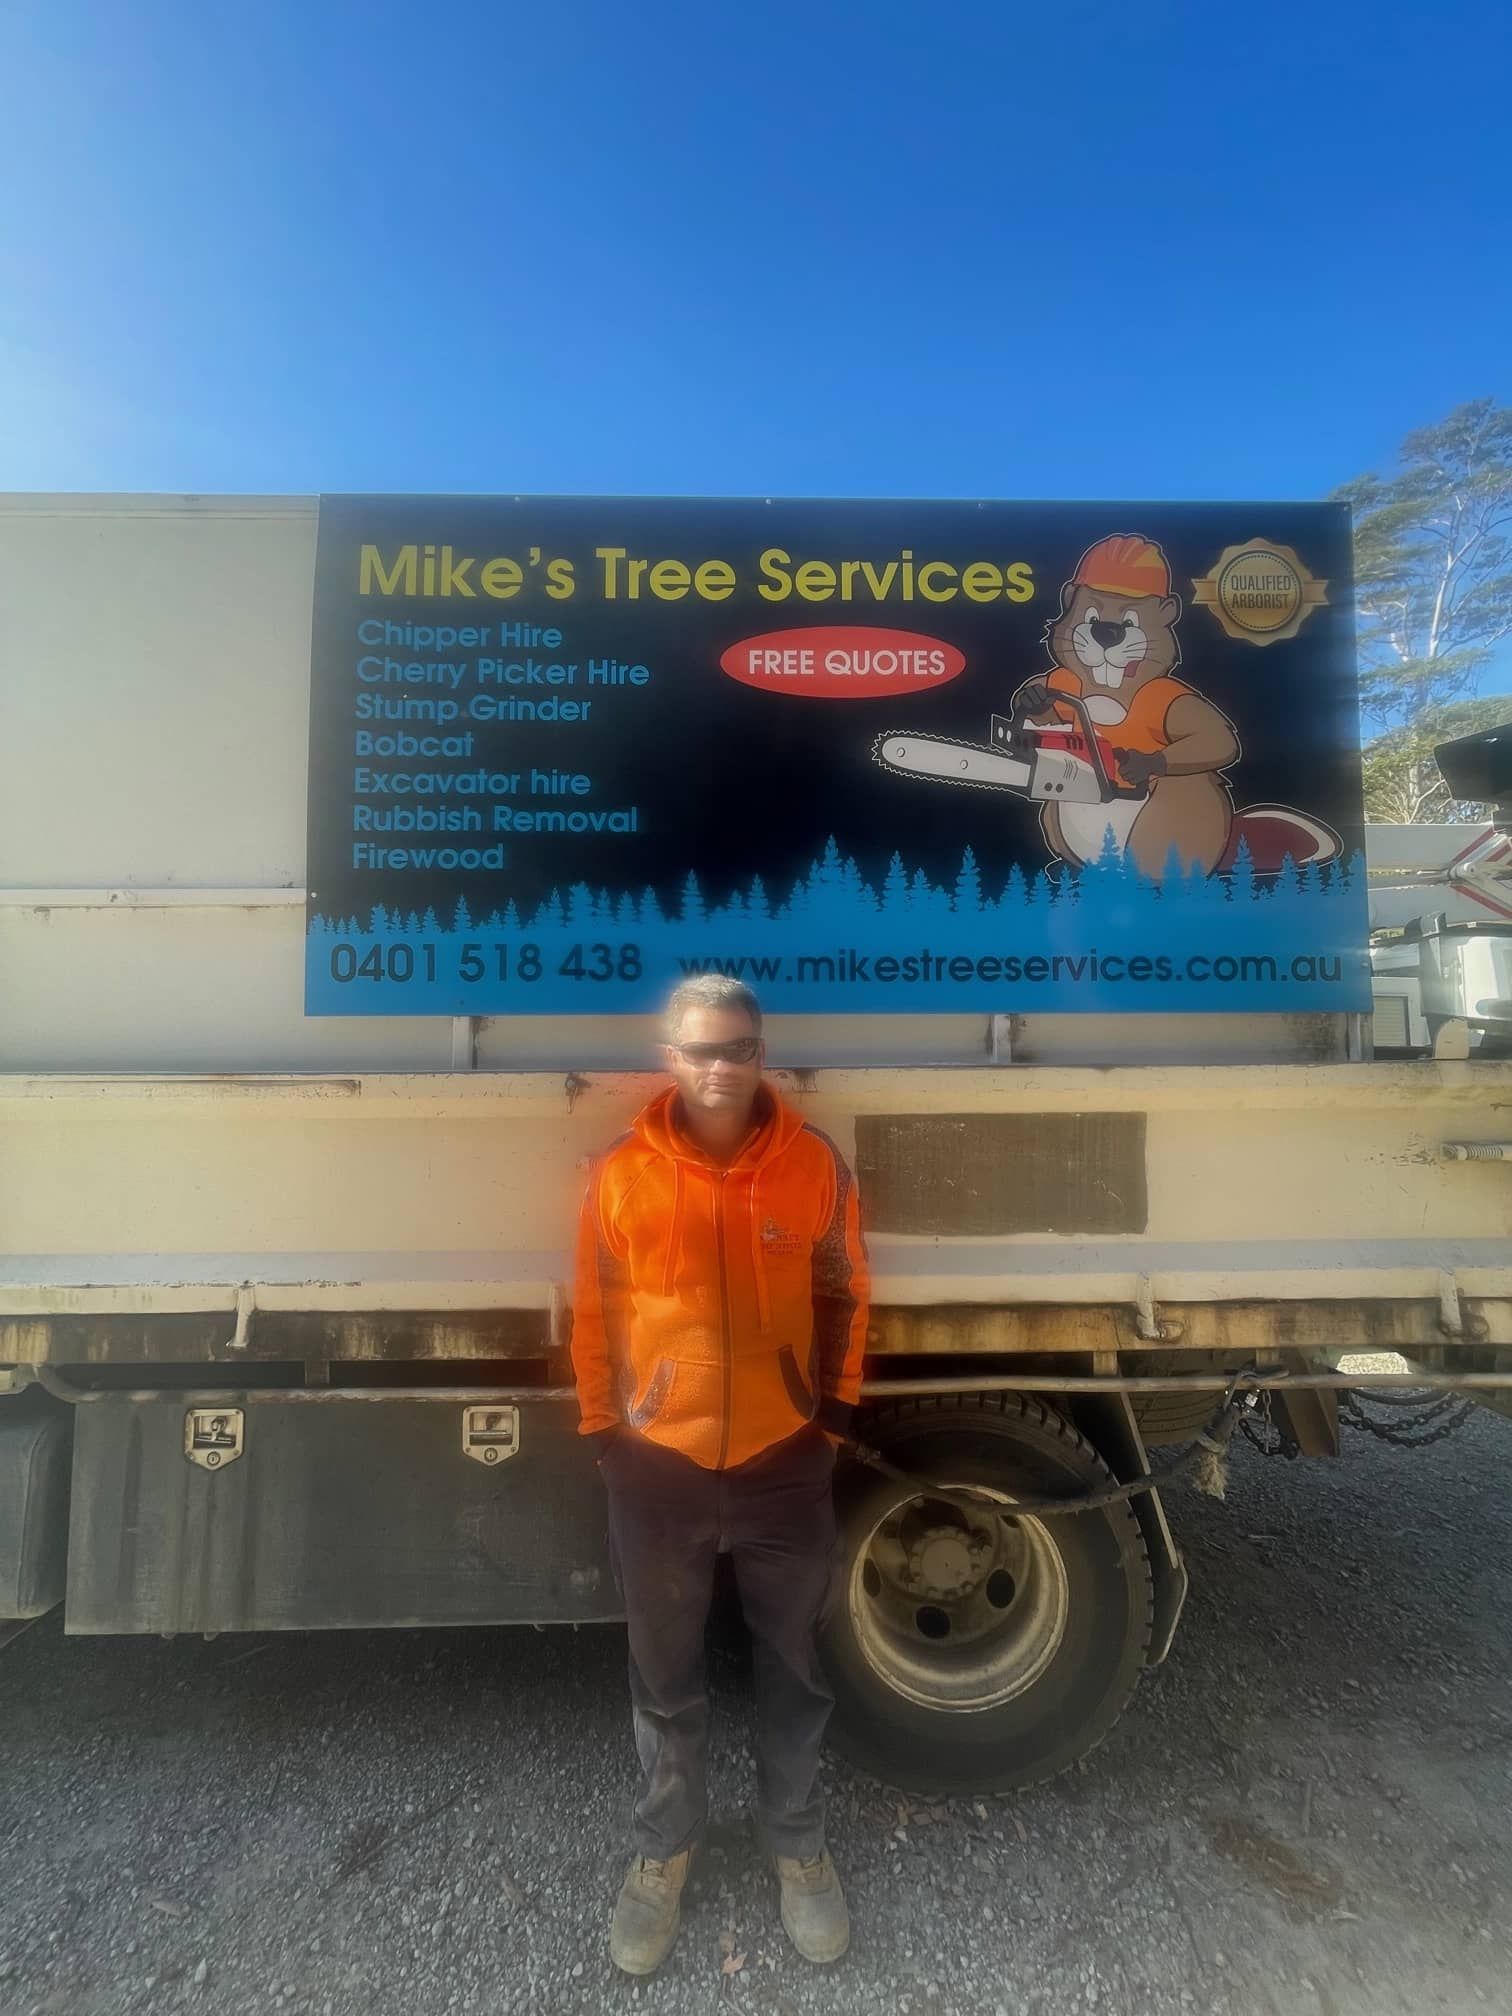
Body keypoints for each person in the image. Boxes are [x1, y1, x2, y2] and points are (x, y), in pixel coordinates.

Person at [571, 975, 869, 1976]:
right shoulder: (622, 1172)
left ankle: (799, 1848)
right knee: (664, 1679)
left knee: (793, 1668)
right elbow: (589, 1311)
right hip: (657, 1468)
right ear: (670, 1058)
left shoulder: (813, 1165)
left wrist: (830, 1421)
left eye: (738, 1048)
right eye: (701, 1049)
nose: (720, 1067)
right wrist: (606, 1434)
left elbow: (847, 1293)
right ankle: (666, 1853)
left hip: (785, 1464)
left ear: (760, 1053)